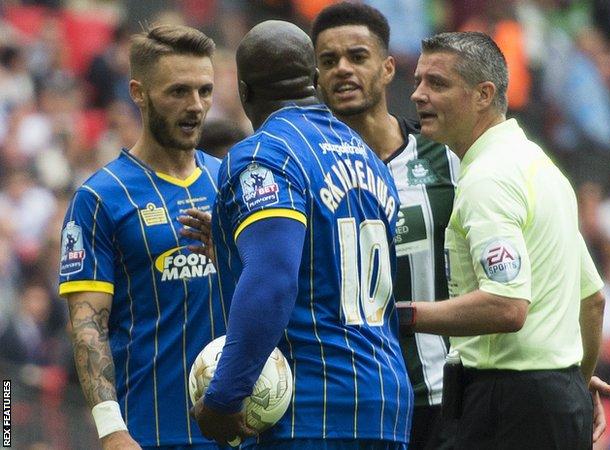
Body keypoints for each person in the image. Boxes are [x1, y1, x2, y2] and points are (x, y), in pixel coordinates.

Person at [189, 20, 413, 449]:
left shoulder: (264, 154)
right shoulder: (370, 160)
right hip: (386, 404)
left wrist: (224, 395)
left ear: (244, 91)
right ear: (314, 81)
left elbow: (273, 280)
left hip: (314, 409)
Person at [399, 31, 610, 449]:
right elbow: (593, 300)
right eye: (418, 81)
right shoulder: (540, 167)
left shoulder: (488, 179)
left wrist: (405, 315)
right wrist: (574, 383)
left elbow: (507, 305)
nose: (418, 95)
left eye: (437, 83)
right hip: (555, 400)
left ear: (484, 94)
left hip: (509, 406)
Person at [58, 25, 227, 449]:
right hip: (146, 434)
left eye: (205, 91)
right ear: (138, 92)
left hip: (236, 432)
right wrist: (111, 428)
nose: (195, 106)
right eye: (178, 92)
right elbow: (87, 325)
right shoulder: (99, 198)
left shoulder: (230, 182)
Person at [310, 4, 458, 449]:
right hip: (352, 402)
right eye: (328, 61)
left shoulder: (446, 160)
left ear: (388, 67)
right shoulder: (306, 169)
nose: (343, 69)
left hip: (442, 398)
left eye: (357, 56)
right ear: (314, 76)